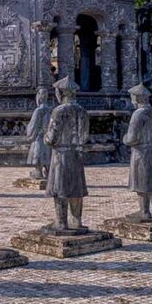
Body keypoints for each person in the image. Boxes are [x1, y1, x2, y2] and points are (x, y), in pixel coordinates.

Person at [44, 77, 90, 231]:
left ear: (61, 93)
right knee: (76, 189)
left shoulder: (58, 111)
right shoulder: (82, 111)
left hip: (61, 155)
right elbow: (85, 136)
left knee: (60, 189)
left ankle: (61, 222)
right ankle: (77, 221)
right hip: (76, 154)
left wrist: (46, 137)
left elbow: (51, 138)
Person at [122, 84, 152, 220]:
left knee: (142, 183)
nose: (132, 100)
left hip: (140, 153)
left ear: (137, 98)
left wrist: (124, 138)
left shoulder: (138, 114)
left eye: (132, 97)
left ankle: (145, 212)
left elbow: (131, 138)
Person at [25, 88, 52, 179]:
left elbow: (33, 125)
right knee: (47, 154)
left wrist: (29, 133)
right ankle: (48, 172)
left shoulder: (38, 111)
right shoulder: (50, 110)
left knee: (38, 153)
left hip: (39, 136)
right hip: (48, 136)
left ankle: (39, 172)